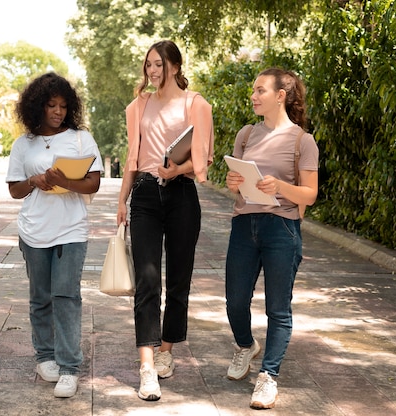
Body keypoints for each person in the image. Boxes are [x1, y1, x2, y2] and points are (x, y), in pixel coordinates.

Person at [116, 40, 214, 401]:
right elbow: (132, 156)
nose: (152, 72)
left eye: (158, 65)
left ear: (174, 66)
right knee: (147, 279)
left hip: (182, 195)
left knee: (178, 279)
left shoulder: (196, 104)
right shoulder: (138, 105)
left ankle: (166, 352)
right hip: (143, 193)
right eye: (148, 66)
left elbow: (204, 158)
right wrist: (122, 199)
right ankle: (146, 368)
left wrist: (177, 170)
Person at [224, 68, 319, 409]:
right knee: (235, 302)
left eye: (260, 90)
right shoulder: (246, 134)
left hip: (282, 229)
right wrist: (233, 182)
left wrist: (279, 187)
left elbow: (309, 194)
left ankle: (268, 376)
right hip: (244, 225)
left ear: (280, 95)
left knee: (278, 308)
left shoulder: (301, 141)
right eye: (253, 89)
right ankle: (246, 346)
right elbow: (232, 183)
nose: (253, 95)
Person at [6, 72, 103, 398]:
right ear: (38, 106)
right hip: (33, 231)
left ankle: (69, 366)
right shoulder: (24, 144)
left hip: (71, 230)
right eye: (51, 105)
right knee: (40, 298)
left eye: (63, 106)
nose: (58, 112)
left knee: (66, 297)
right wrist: (36, 181)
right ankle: (44, 356)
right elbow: (15, 190)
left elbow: (93, 183)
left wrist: (64, 181)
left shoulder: (80, 139)